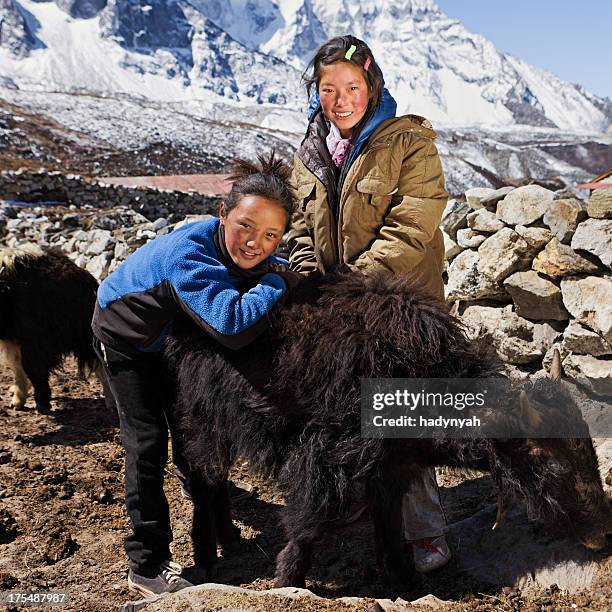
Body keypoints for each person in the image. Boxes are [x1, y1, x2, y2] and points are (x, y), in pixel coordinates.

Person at [92, 154, 300, 597]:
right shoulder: (188, 256)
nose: (254, 243)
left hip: (171, 339)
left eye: (271, 235)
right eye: (245, 225)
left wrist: (274, 272)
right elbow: (232, 323)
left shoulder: (241, 251)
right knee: (146, 442)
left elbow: (253, 272)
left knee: (192, 434)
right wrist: (279, 283)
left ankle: (207, 504)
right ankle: (146, 561)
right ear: (222, 214)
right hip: (126, 338)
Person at [287, 35, 451, 573]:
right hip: (338, 310)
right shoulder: (309, 152)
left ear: (372, 85)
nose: (341, 100)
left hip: (402, 307)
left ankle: (425, 531)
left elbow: (412, 225)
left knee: (409, 412)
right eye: (328, 89)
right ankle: (361, 514)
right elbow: (295, 226)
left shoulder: (409, 144)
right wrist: (310, 276)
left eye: (352, 87)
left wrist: (352, 282)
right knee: (343, 413)